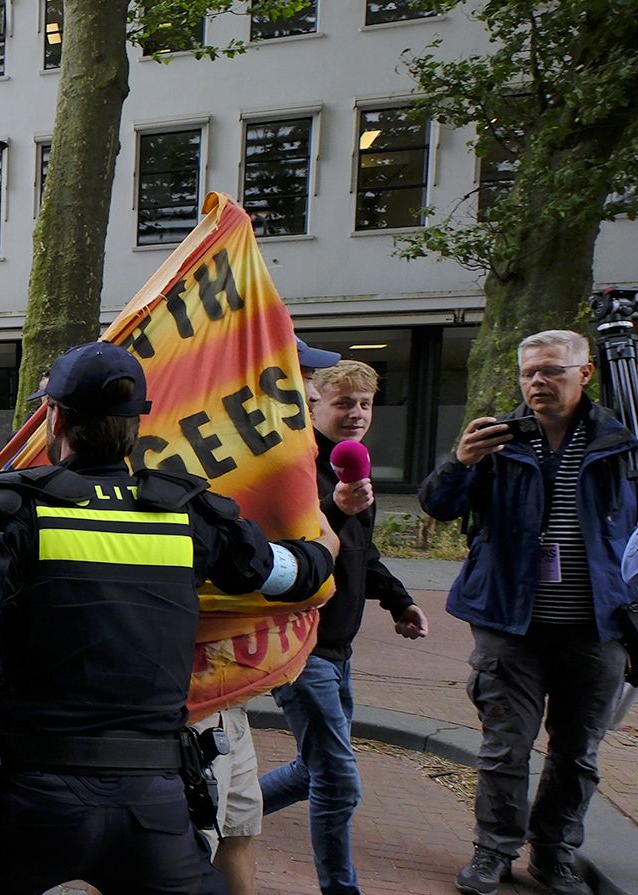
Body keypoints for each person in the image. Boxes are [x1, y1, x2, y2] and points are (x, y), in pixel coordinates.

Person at [0, 341, 338, 895]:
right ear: (136, 425)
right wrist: (324, 551)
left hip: (34, 802)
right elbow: (283, 574)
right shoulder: (189, 515)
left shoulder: (17, 513)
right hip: (156, 806)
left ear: (55, 418)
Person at [421, 330, 638, 895]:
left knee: (578, 752)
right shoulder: (499, 440)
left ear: (585, 373)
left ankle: (554, 852)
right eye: (529, 373)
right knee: (505, 746)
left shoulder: (623, 442)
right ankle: (493, 851)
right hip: (507, 621)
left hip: (597, 626)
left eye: (552, 371)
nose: (538, 382)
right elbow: (439, 506)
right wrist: (460, 461)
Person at [258, 359, 429, 895]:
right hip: (298, 644)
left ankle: (217, 807)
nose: (355, 414)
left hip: (338, 648)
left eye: (364, 404)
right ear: (313, 406)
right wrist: (332, 507)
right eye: (343, 403)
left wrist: (398, 601)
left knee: (316, 771)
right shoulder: (292, 466)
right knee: (338, 780)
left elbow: (361, 551)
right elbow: (281, 549)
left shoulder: (354, 468)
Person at [194, 335, 348, 895]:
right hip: (186, 699)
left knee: (239, 823)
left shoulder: (282, 463)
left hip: (225, 695)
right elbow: (273, 569)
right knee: (182, 841)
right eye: (301, 386)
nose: (311, 396)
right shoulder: (213, 484)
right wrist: (324, 545)